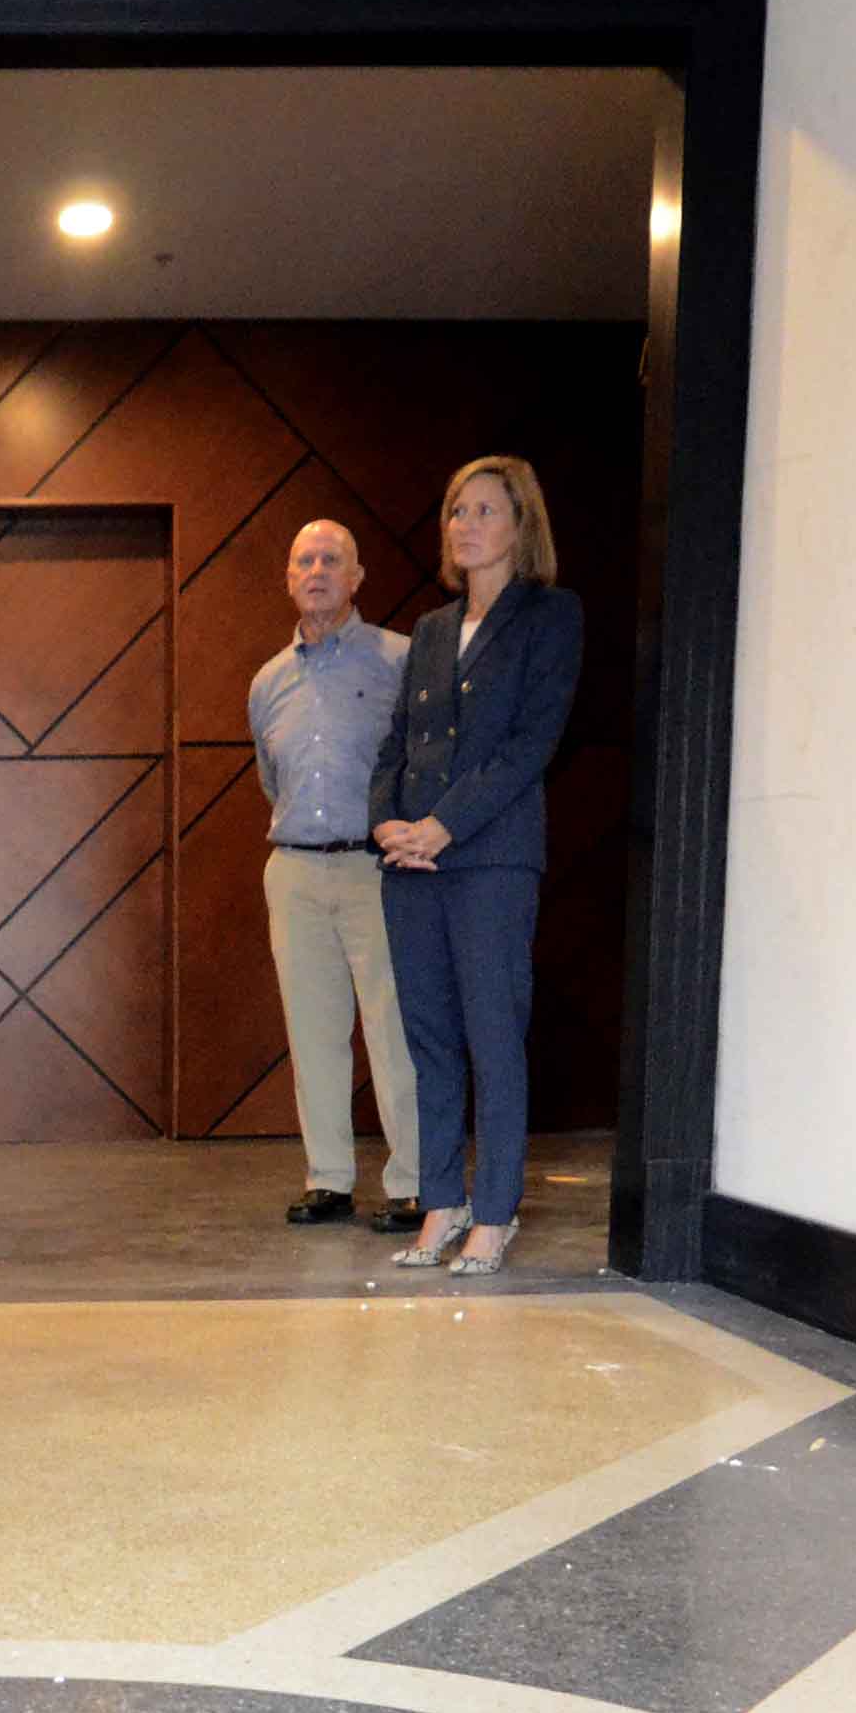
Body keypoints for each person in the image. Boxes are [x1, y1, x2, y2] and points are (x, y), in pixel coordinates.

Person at [375, 453, 586, 1277]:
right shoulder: (430, 629)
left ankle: (493, 1210)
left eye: (486, 511)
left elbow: (531, 745)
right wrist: (387, 823)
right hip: (411, 864)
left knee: (493, 1035)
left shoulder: (552, 615)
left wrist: (443, 826)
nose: (466, 526)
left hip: (490, 856)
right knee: (428, 1038)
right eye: (457, 512)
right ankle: (440, 1201)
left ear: (522, 524)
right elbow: (397, 743)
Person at [246, 518, 425, 1232]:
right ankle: (329, 1179)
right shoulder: (267, 682)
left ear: (356, 577)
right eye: (303, 560)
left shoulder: (400, 661)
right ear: (289, 578)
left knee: (394, 1029)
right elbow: (271, 779)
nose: (316, 570)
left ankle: (413, 1181)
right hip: (294, 869)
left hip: (377, 870)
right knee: (313, 1031)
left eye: (331, 559)